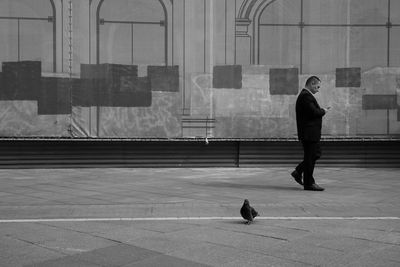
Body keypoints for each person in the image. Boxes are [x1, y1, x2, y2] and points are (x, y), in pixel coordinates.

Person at [291, 76, 330, 191]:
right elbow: (314, 112)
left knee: (315, 154)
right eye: (317, 86)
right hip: (309, 134)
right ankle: (309, 183)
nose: (318, 89)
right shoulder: (305, 97)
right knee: (311, 156)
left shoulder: (306, 96)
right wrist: (324, 111)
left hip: (310, 133)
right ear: (312, 83)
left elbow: (310, 112)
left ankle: (298, 171)